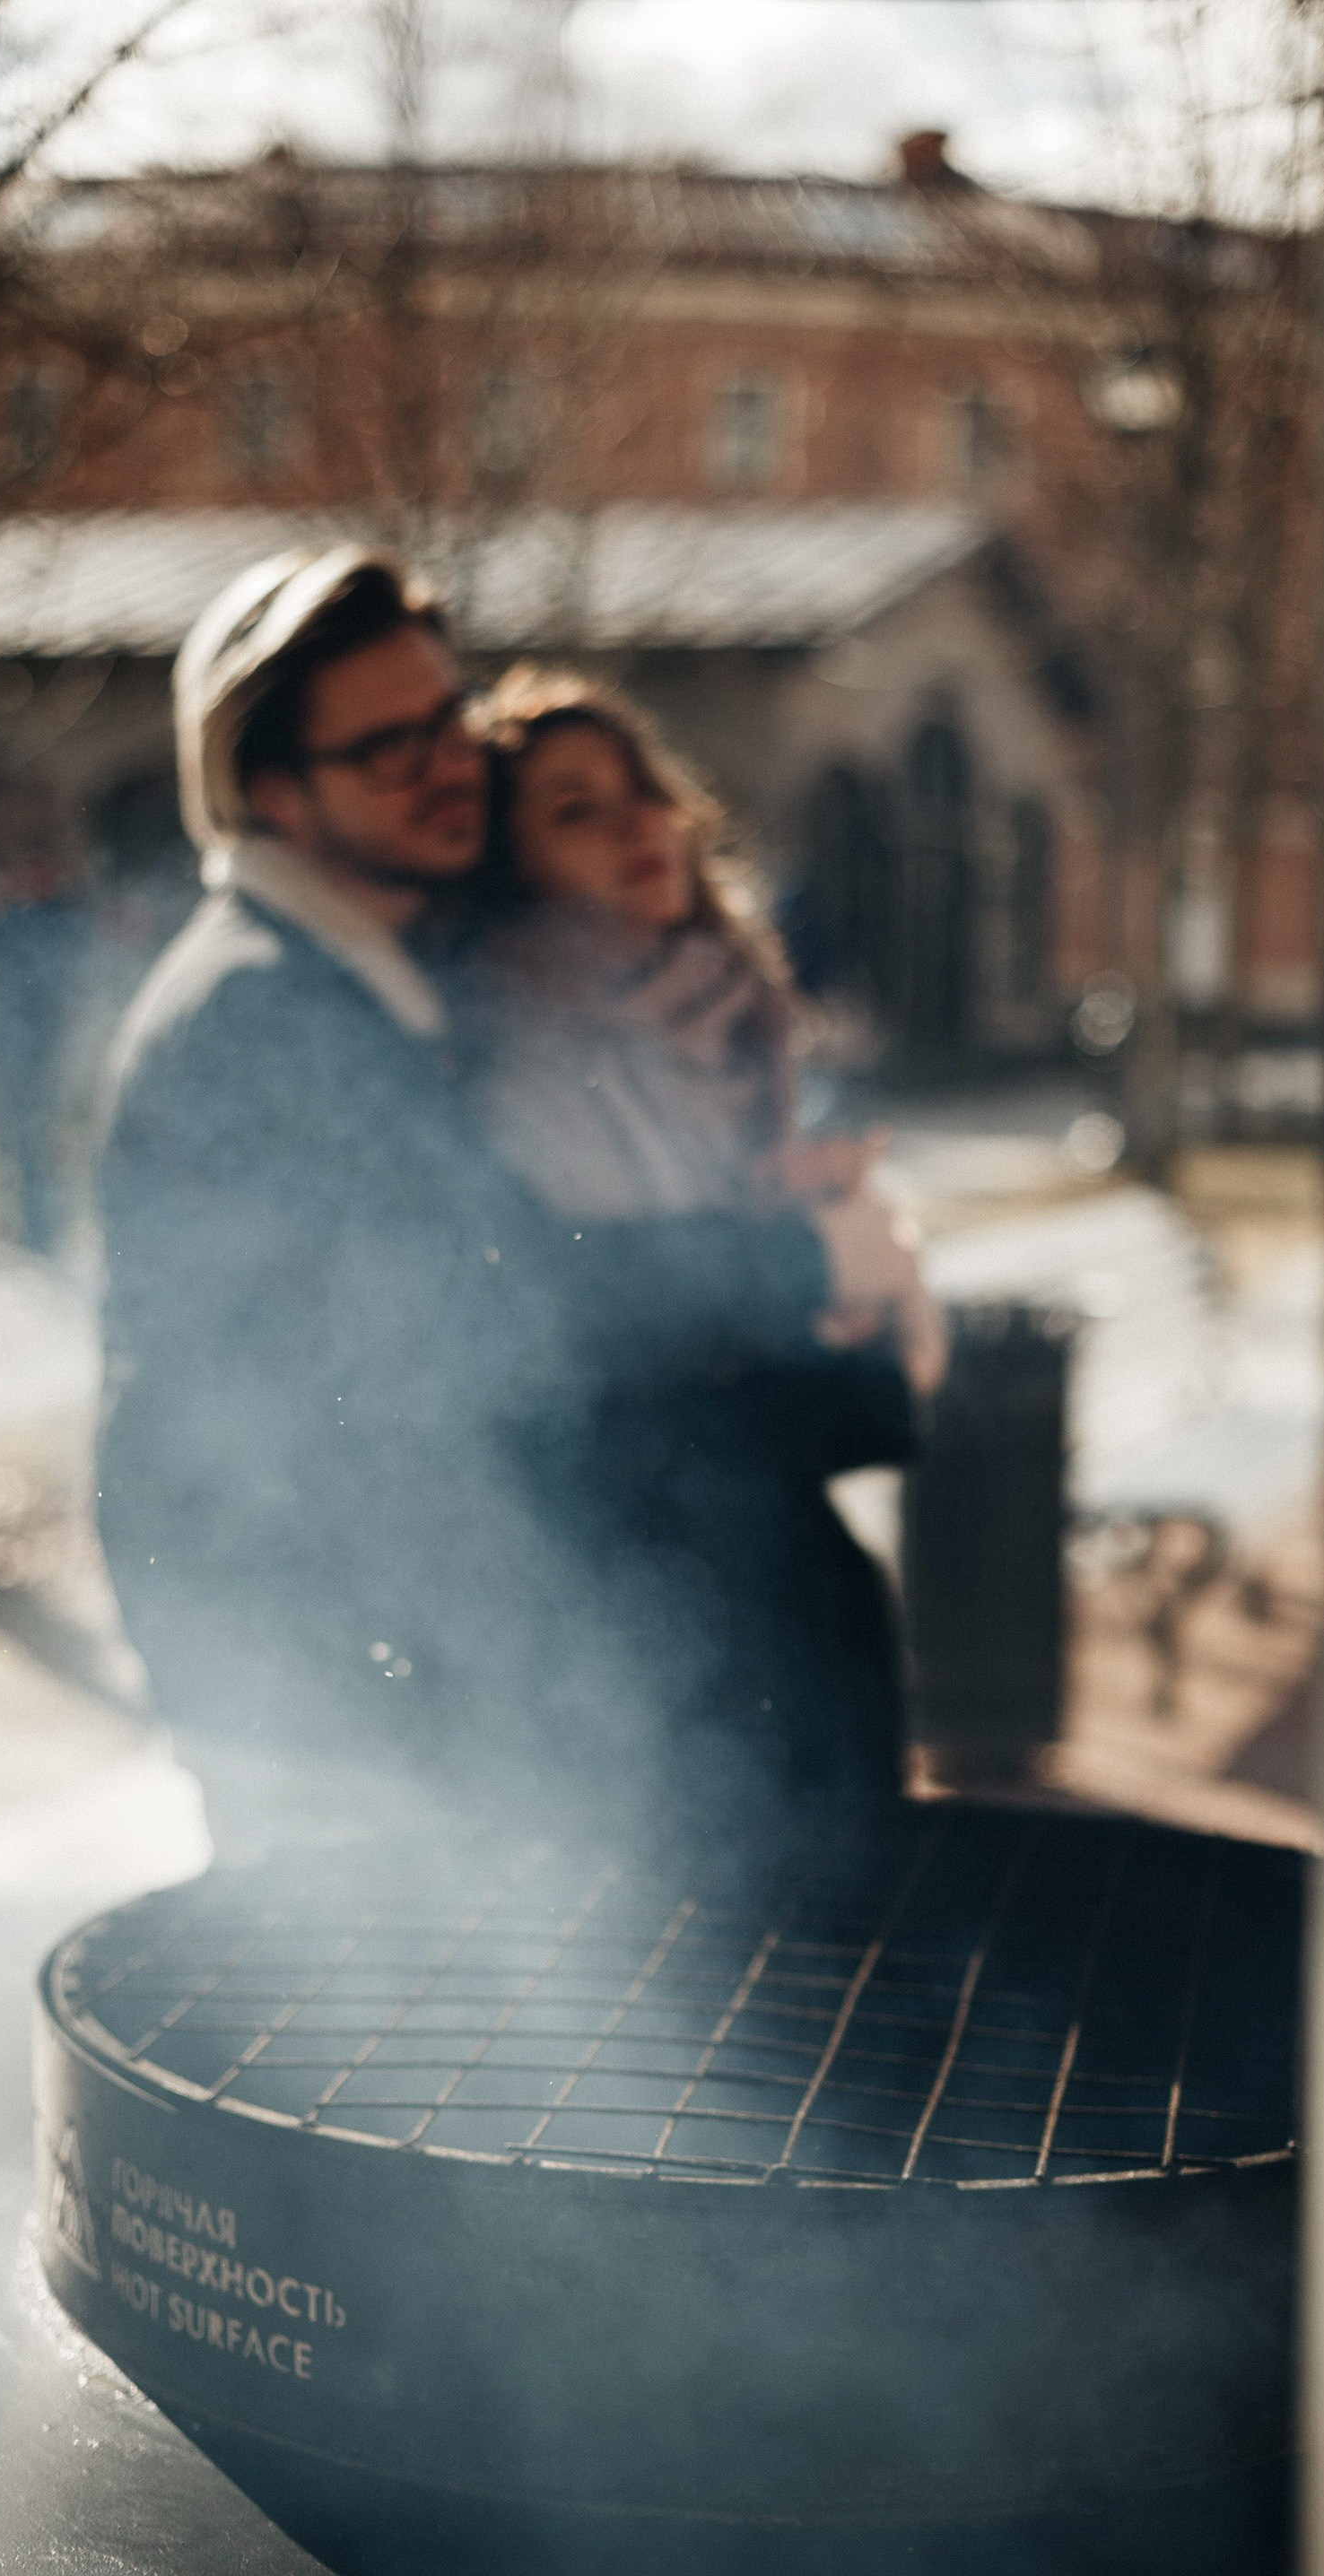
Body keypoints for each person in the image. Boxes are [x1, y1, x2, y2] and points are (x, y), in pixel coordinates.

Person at [96, 547, 937, 1856]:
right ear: (273, 796)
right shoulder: (261, 1011)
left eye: (447, 721)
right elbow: (509, 1300)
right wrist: (812, 1259)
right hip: (324, 1699)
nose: (446, 764)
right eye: (387, 748)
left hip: (393, 1670)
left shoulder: (376, 975)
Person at [460, 664, 937, 1832]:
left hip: (800, 1608)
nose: (640, 824)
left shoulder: (727, 1023)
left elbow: (830, 1357)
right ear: (508, 868)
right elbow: (625, 1372)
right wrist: (830, 1277)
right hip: (669, 1659)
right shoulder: (525, 1062)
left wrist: (845, 1275)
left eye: (642, 790)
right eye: (577, 810)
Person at [0, 778, 94, 1254]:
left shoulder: (49, 913)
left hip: (37, 1039)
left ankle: (42, 1227)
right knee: (22, 1137)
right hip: (10, 1039)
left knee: (37, 1136)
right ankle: (34, 1227)